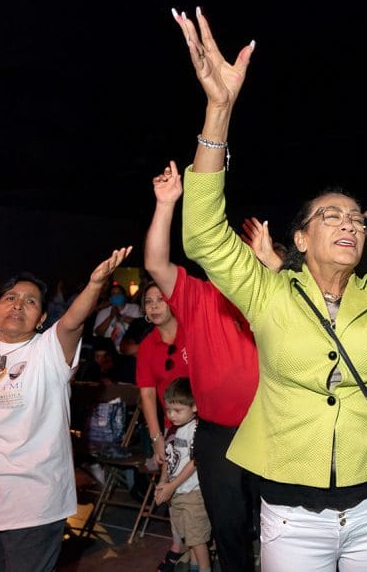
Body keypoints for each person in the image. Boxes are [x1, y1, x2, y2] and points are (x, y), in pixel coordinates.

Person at [172, 6, 367, 571]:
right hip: (292, 517)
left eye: (356, 220)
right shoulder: (267, 292)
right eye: (331, 216)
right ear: (300, 236)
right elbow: (201, 235)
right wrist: (219, 109)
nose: (349, 223)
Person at [0, 247, 131, 572]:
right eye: (10, 297)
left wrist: (94, 286)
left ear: (41, 321)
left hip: (32, 501)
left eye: (31, 301)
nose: (19, 304)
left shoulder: (48, 351)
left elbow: (72, 322)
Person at [144, 159, 259, 572]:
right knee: (228, 527)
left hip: (271, 429)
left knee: (278, 521)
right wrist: (166, 204)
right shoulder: (199, 295)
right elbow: (157, 264)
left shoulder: (271, 293)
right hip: (218, 435)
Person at [135, 281, 190, 572]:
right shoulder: (147, 346)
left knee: (201, 491)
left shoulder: (192, 333)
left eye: (160, 299)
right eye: (148, 301)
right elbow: (146, 393)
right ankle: (178, 545)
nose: (154, 305)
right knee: (173, 490)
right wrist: (157, 438)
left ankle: (200, 545)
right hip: (172, 430)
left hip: (208, 425)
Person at [155, 378, 211, 572]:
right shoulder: (175, 428)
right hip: (178, 492)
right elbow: (169, 457)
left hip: (193, 494)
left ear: (194, 406)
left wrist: (171, 486)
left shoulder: (195, 429)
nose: (172, 415)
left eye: (178, 410)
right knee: (190, 538)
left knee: (198, 541)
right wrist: (163, 481)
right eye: (169, 410)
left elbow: (194, 462)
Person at [93, 282, 141, 351]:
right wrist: (111, 317)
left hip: (130, 348)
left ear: (124, 296)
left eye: (119, 293)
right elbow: (98, 333)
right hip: (110, 349)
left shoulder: (134, 308)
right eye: (113, 294)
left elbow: (139, 326)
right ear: (110, 298)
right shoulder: (103, 312)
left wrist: (120, 316)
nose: (117, 295)